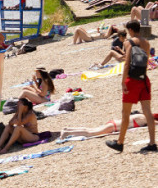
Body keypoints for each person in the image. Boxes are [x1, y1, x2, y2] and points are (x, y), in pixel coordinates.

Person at [106, 21, 157, 153]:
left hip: (132, 81)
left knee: (126, 113)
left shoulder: (128, 42)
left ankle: (120, 142)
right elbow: (146, 61)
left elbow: (127, 63)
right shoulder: (146, 42)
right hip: (144, 80)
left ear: (130, 29)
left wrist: (123, 81)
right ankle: (152, 143)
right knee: (147, 112)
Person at [60, 111, 158, 139]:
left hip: (113, 123)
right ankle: (67, 133)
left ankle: (68, 129)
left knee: (90, 129)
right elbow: (154, 123)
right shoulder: (144, 118)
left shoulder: (141, 116)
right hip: (113, 127)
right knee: (91, 133)